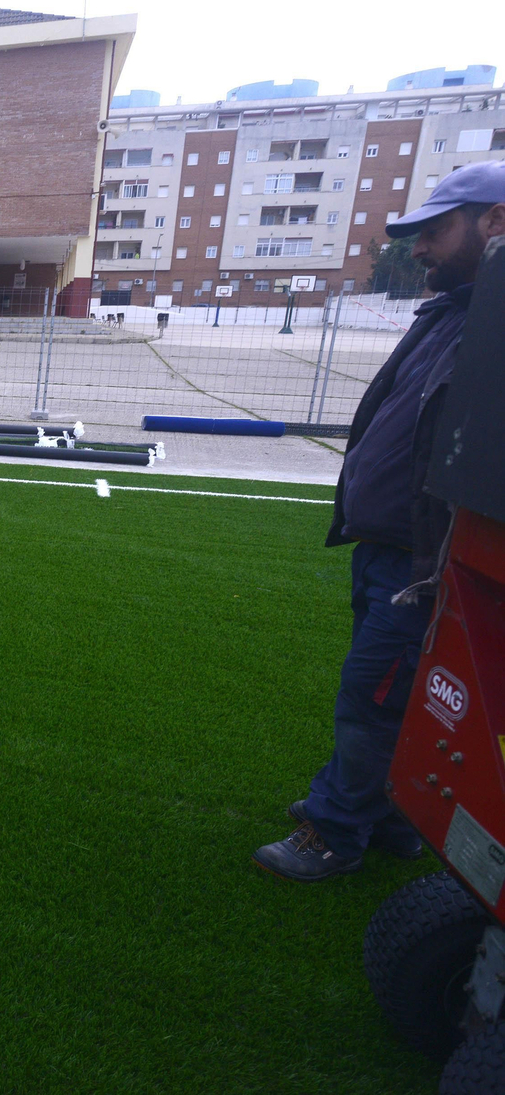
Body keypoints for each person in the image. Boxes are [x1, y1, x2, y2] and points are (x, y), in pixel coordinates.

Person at [254, 161, 505, 881]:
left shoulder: (492, 324)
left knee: (374, 694)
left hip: (429, 565)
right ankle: (392, 813)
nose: (418, 249)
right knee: (401, 694)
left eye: (436, 231)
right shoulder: (452, 313)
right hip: (389, 551)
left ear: (496, 222)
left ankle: (337, 830)